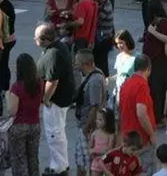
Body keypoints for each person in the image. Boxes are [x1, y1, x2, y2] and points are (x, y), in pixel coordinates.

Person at [35, 23, 76, 175]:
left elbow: (52, 81)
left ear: (45, 39)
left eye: (36, 38)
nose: (34, 40)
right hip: (60, 98)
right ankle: (61, 163)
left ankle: (58, 167)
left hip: (55, 101)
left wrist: (46, 98)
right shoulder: (57, 47)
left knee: (54, 133)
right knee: (58, 131)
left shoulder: (53, 54)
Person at [119, 55, 157, 176]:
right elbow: (141, 113)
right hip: (141, 138)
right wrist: (151, 134)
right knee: (144, 170)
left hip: (128, 136)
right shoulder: (142, 85)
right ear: (148, 69)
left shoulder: (126, 83)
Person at [143, 0, 167, 123]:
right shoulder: (154, 23)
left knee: (159, 89)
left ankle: (161, 116)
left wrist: (153, 33)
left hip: (161, 61)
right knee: (156, 89)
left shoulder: (162, 23)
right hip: (155, 60)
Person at [7, 53, 44, 176]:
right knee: (33, 157)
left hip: (19, 125)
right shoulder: (39, 84)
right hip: (35, 124)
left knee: (19, 159)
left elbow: (12, 110)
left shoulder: (17, 87)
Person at [75, 48, 106, 176]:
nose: (75, 65)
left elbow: (95, 106)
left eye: (77, 62)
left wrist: (86, 127)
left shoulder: (94, 81)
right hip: (84, 125)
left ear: (85, 64)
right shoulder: (93, 74)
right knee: (80, 160)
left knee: (87, 162)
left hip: (87, 127)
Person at [93, 0, 115, 76]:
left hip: (103, 38)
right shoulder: (104, 3)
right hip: (105, 37)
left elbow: (96, 20)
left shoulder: (105, 7)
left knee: (101, 62)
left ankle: (103, 79)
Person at [89, 108, 116, 176]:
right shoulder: (94, 134)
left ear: (107, 121)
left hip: (106, 162)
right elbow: (90, 148)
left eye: (100, 119)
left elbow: (109, 151)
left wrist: (96, 151)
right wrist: (91, 152)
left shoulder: (110, 135)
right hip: (96, 162)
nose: (97, 121)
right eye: (97, 119)